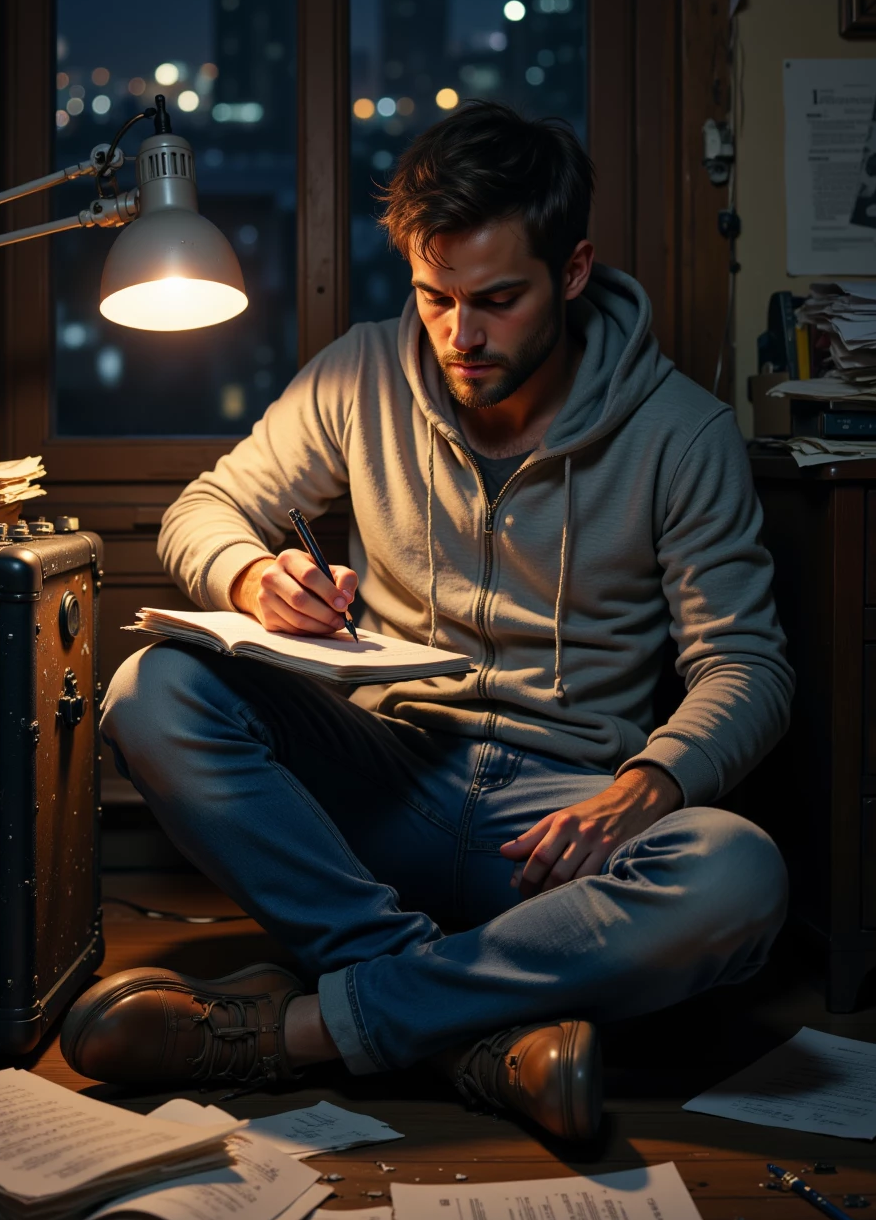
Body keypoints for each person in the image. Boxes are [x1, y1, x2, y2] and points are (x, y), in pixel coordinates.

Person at [62, 101, 792, 1142]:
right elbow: (204, 510)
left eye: (496, 300)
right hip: (389, 778)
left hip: (552, 841)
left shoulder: (682, 432)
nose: (459, 335)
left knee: (738, 873)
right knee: (154, 690)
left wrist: (641, 791)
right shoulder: (362, 372)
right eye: (434, 297)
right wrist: (251, 577)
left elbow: (746, 667)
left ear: (573, 272)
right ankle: (469, 1032)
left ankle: (300, 1029)